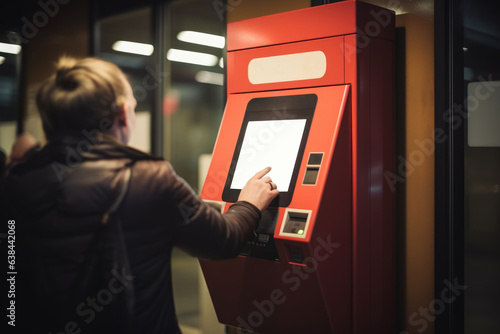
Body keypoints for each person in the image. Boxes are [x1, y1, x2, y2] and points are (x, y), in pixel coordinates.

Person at [0, 57, 279, 333]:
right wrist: (248, 205)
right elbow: (222, 241)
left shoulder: (17, 183)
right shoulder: (149, 178)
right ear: (123, 113)